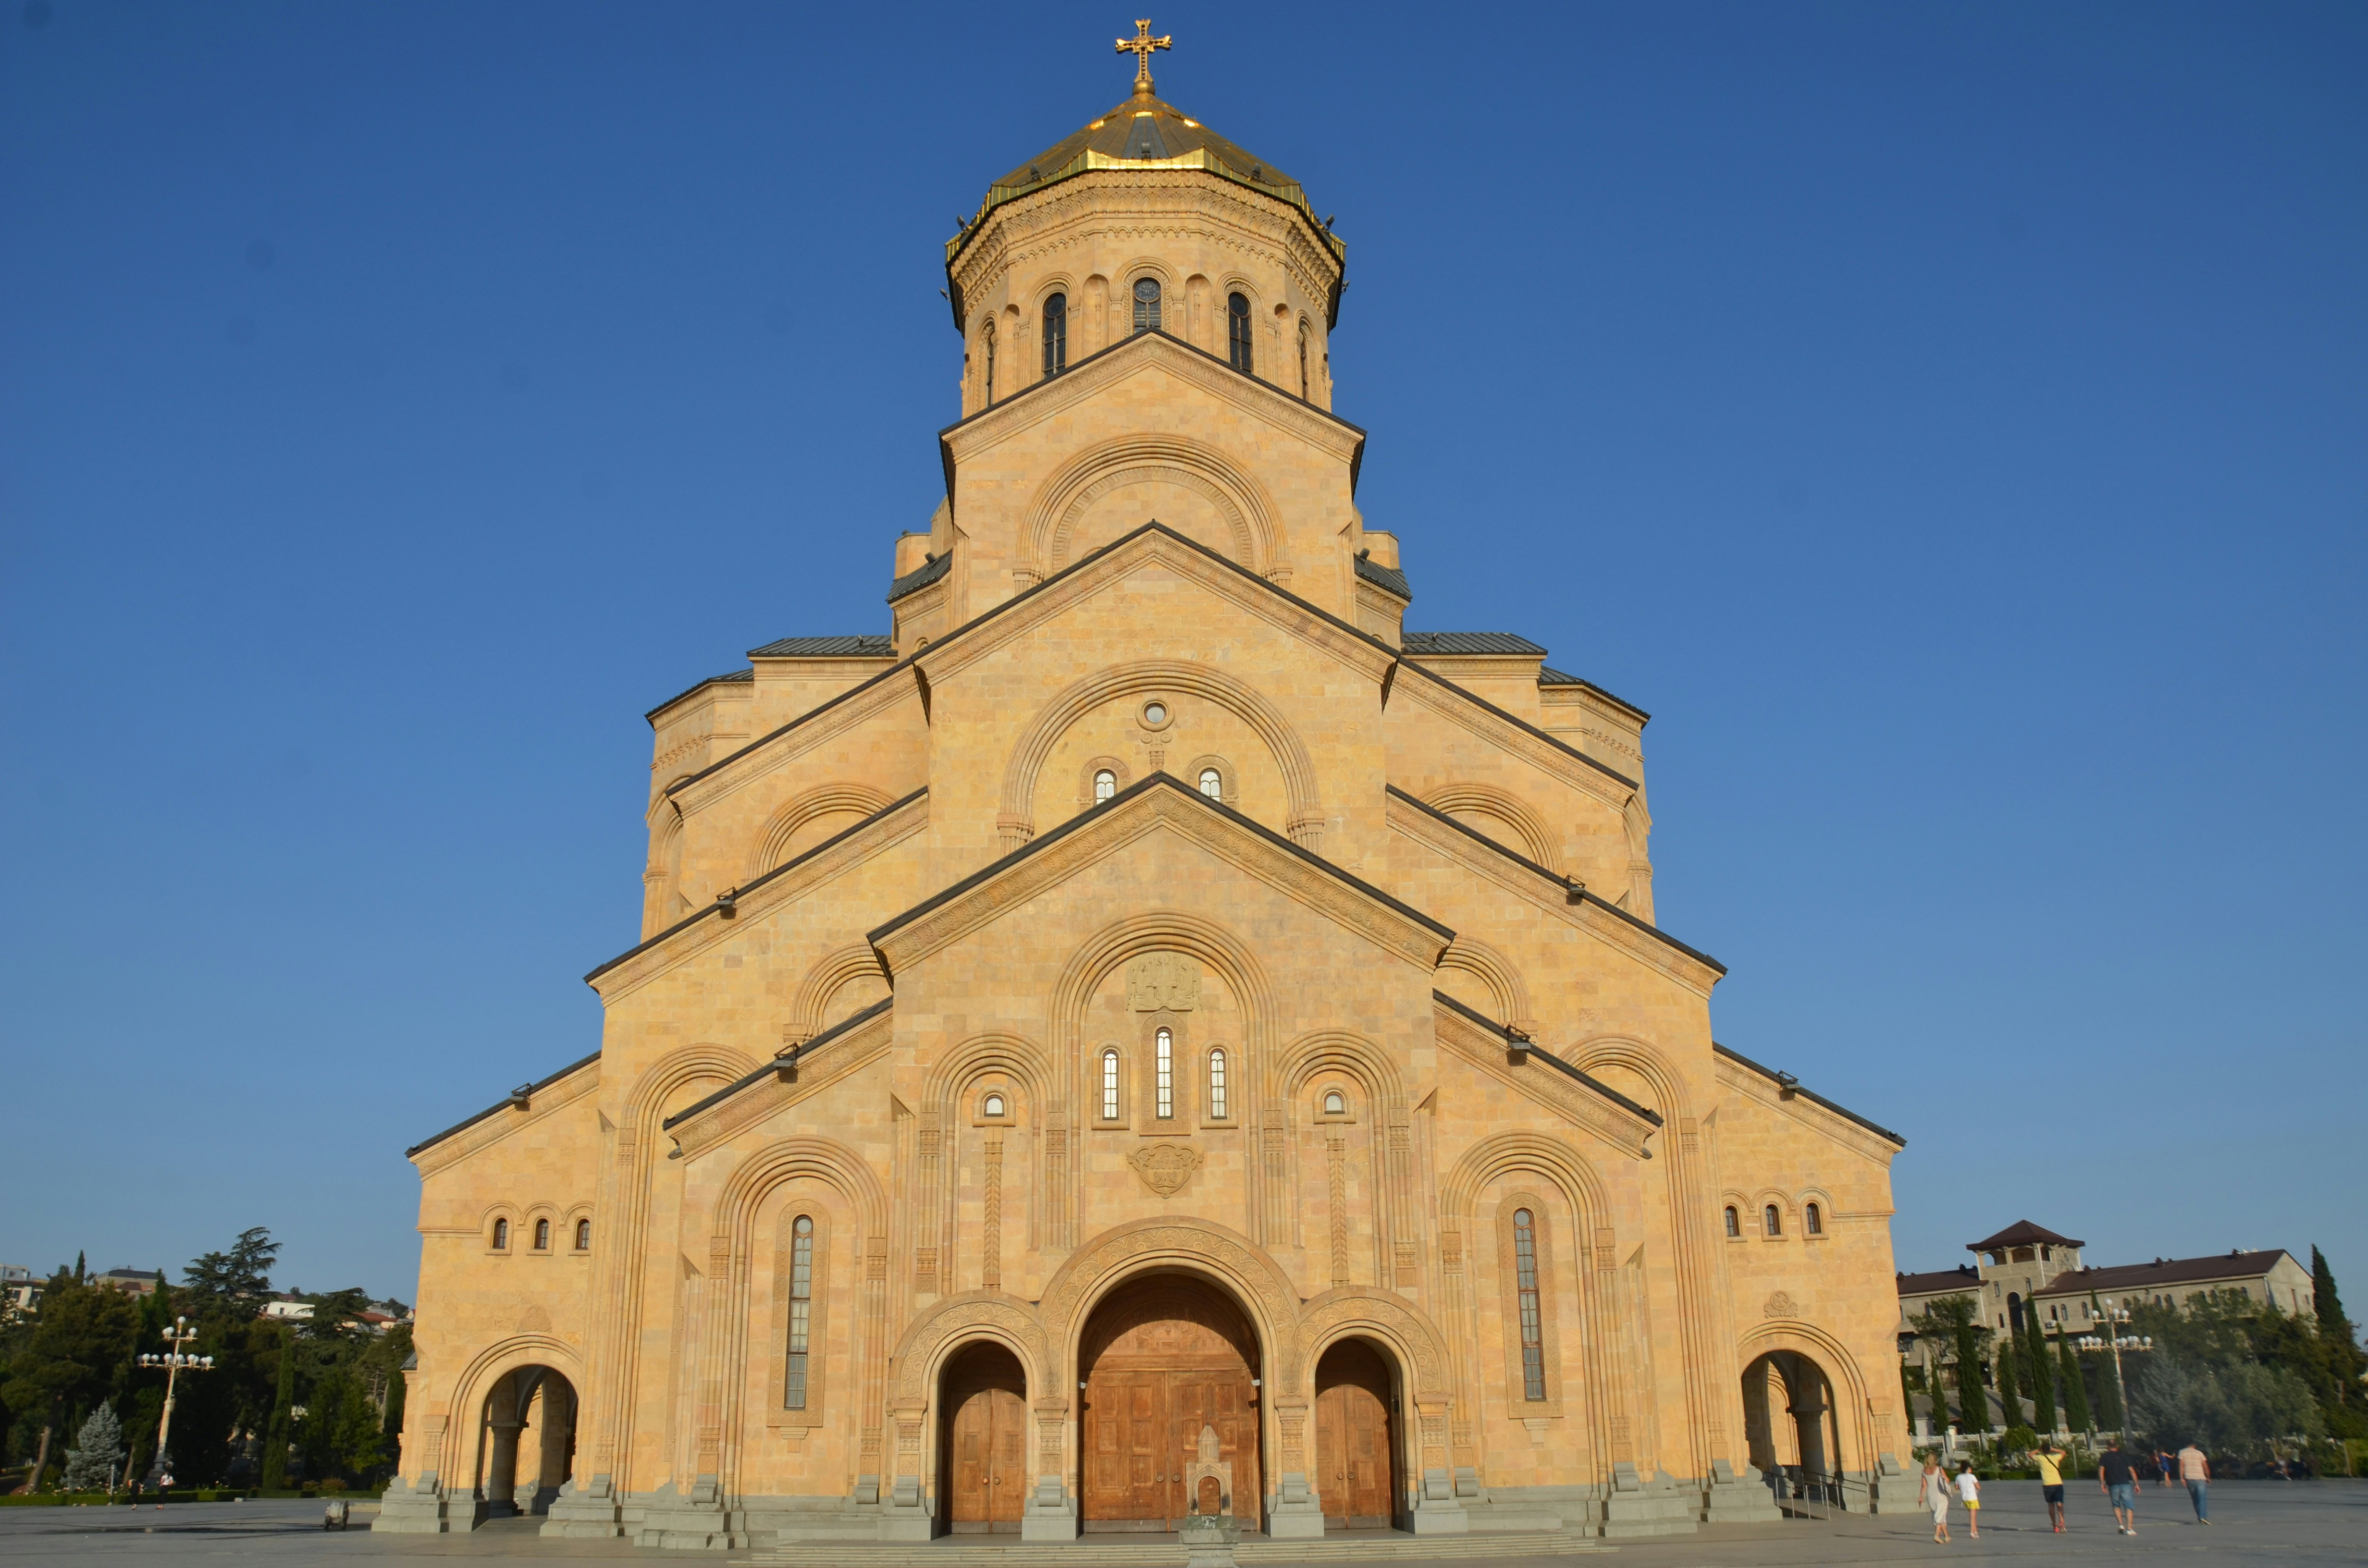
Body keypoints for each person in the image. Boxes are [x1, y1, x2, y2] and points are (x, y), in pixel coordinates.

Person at [2098, 1439, 2142, 1534]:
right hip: (2125, 1483)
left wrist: (2102, 1484)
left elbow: (2101, 1470)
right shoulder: (2124, 1457)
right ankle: (2130, 1529)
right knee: (2129, 1506)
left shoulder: (2104, 1457)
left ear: (2108, 1447)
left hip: (2113, 1484)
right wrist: (2137, 1485)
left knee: (2116, 1505)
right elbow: (2132, 1471)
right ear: (2117, 1447)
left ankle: (2121, 1525)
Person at [1920, 1455, 1953, 1543]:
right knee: (1940, 1515)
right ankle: (1937, 1536)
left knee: (1939, 1515)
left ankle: (1947, 1536)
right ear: (1935, 1460)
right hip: (1940, 1495)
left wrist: (1921, 1497)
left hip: (1930, 1496)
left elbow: (1924, 1485)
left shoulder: (1924, 1471)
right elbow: (1947, 1480)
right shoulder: (1939, 1469)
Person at [2036, 1442, 2069, 1532]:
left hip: (2047, 1485)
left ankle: (2055, 1526)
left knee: (2051, 1505)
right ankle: (2062, 1522)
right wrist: (2053, 1449)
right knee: (2060, 1504)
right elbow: (2063, 1452)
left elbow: (2030, 1455)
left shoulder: (2040, 1458)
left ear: (2042, 1450)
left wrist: (2039, 1450)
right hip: (2058, 1483)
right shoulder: (2055, 1457)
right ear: (2049, 1450)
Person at [2177, 1441, 2210, 1524]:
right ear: (2194, 1446)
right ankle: (2203, 1517)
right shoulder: (2200, 1453)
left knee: (2195, 1499)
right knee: (2202, 1498)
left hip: (2189, 1478)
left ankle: (2200, 1517)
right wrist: (2208, 1477)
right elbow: (2205, 1467)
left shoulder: (2182, 1452)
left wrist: (2182, 1478)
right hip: (2201, 1478)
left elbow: (2181, 1465)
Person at [1956, 1461, 1983, 1539]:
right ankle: (1972, 1532)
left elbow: (1957, 1487)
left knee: (1972, 1515)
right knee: (1973, 1516)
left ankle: (1975, 1531)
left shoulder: (1959, 1477)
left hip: (1965, 1499)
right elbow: (1978, 1487)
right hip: (1972, 1498)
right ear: (1968, 1469)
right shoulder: (1972, 1476)